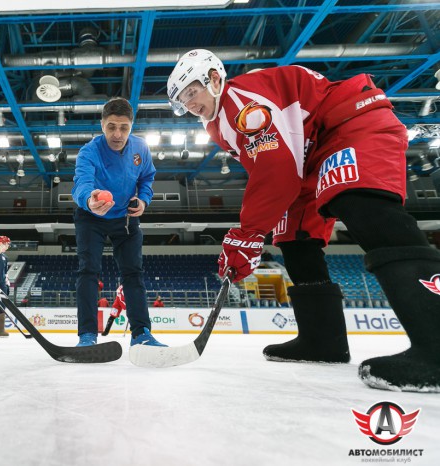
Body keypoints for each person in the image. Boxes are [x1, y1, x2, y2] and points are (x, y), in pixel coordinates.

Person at [167, 49, 440, 392]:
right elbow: (270, 169)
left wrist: (248, 233)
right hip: (308, 158)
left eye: (192, 91)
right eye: (181, 100)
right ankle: (323, 341)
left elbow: (276, 170)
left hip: (347, 125)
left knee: (361, 205)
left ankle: (436, 345)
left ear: (215, 79)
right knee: (293, 236)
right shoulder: (217, 124)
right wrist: (252, 233)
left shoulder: (241, 100)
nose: (189, 103)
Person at [71, 97, 165, 348]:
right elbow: (81, 183)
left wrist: (144, 200)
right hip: (92, 217)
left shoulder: (141, 148)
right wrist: (88, 200)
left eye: (124, 127)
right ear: (102, 124)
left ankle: (142, 333)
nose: (117, 133)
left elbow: (147, 178)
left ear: (131, 126)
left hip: (125, 218)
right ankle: (87, 336)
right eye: (111, 126)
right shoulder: (89, 152)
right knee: (88, 271)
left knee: (133, 273)